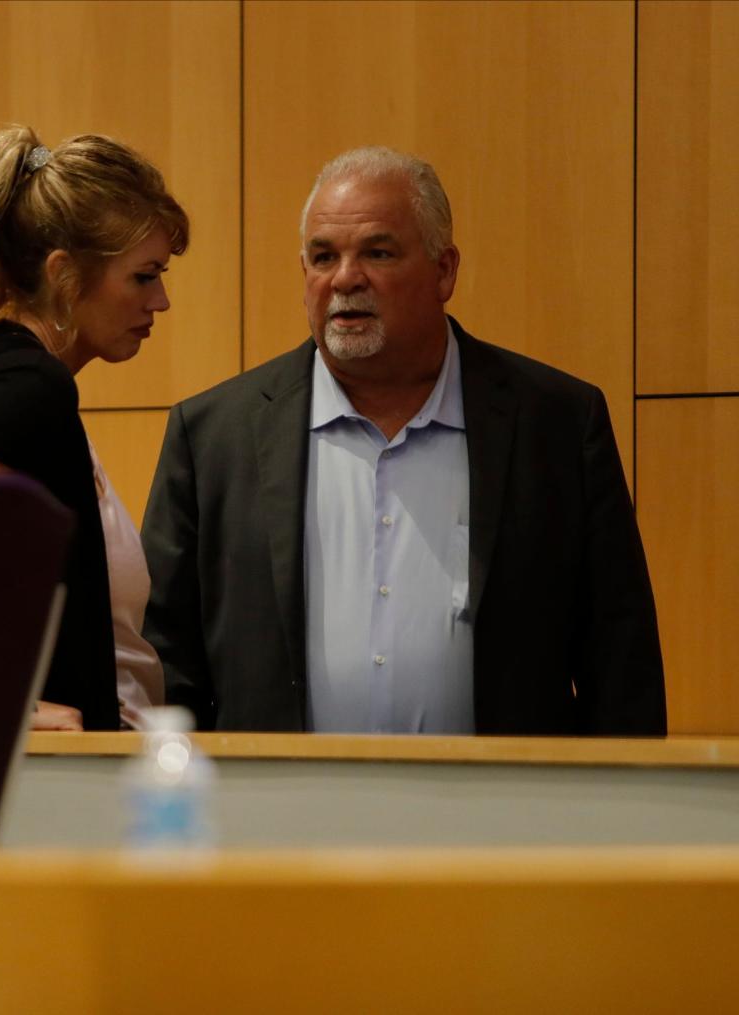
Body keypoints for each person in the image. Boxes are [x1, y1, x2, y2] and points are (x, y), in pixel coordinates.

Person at [141, 146, 666, 736]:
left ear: (445, 271)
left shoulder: (557, 423)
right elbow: (166, 665)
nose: (344, 278)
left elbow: (620, 663)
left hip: (505, 816)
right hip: (278, 818)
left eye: (378, 252)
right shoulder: (214, 437)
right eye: (323, 256)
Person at [0, 125, 188, 731]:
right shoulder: (30, 387)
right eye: (144, 275)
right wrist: (4, 709)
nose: (160, 300)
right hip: (53, 792)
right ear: (63, 274)